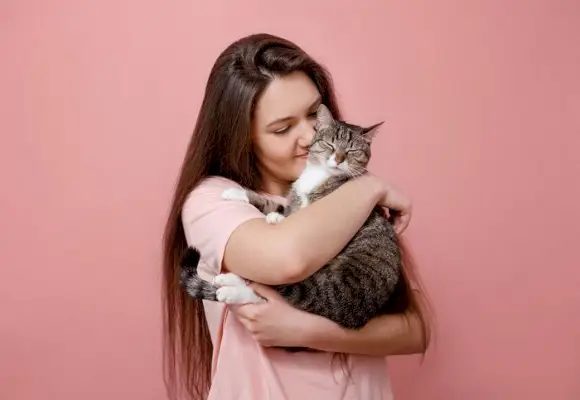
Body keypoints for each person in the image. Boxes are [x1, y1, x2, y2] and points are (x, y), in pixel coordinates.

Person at [162, 33, 431, 400]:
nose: (309, 135)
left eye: (314, 114)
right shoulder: (213, 201)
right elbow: (286, 259)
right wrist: (372, 188)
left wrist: (304, 330)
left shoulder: (343, 194)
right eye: (283, 128)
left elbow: (415, 327)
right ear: (243, 137)